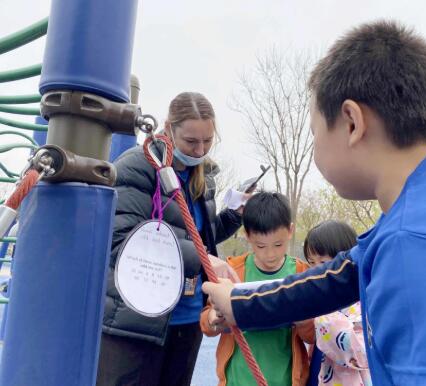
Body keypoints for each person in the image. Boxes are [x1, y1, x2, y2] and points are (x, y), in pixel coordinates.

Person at [202, 20, 426, 385]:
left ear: (352, 122)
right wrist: (241, 304)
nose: (315, 148)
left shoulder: (418, 242)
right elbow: (340, 275)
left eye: (315, 133)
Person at [97, 92, 244, 386]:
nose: (200, 149)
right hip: (136, 323)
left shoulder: (202, 175)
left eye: (207, 141)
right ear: (168, 127)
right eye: (191, 142)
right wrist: (204, 258)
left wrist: (236, 214)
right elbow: (120, 241)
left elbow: (199, 235)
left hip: (186, 320)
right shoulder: (137, 167)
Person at [200, 192, 315, 386]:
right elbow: (206, 324)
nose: (270, 254)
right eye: (260, 246)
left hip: (285, 380)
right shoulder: (233, 271)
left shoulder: (302, 274)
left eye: (278, 245)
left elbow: (313, 337)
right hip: (237, 380)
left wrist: (304, 320)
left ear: (290, 231)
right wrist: (214, 318)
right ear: (247, 236)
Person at [303, 220, 371, 386]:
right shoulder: (323, 299)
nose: (315, 271)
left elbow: (362, 353)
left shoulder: (363, 302)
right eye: (311, 262)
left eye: (323, 263)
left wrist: (321, 314)